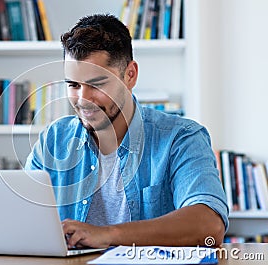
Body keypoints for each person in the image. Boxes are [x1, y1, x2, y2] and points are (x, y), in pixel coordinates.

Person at [25, 14, 228, 249]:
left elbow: (209, 226)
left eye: (97, 84)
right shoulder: (53, 140)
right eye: (73, 85)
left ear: (130, 75)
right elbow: (21, 218)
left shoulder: (181, 138)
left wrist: (107, 234)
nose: (83, 99)